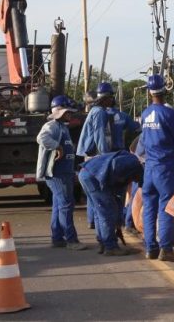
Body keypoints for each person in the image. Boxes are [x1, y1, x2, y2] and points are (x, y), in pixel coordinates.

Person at [140, 74, 174, 262]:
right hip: (165, 166)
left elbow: (143, 140)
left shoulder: (145, 114)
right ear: (164, 90)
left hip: (149, 167)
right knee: (167, 206)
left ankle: (150, 247)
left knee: (149, 207)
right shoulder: (169, 114)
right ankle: (166, 249)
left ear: (149, 92)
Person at [36, 95, 87, 251]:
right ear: (59, 111)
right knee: (66, 204)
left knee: (59, 205)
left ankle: (57, 238)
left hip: (65, 173)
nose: (70, 114)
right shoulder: (52, 126)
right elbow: (41, 138)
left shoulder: (63, 127)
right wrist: (57, 147)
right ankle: (71, 240)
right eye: (67, 111)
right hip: (57, 174)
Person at [78, 150, 143, 256]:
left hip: (86, 173)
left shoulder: (130, 165)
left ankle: (103, 243)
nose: (134, 183)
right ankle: (111, 247)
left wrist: (118, 224)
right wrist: (117, 222)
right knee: (106, 211)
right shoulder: (132, 165)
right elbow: (114, 168)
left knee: (100, 211)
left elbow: (118, 199)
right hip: (93, 176)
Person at [76, 82, 118, 229]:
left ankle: (92, 220)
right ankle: (101, 226)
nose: (112, 100)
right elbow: (99, 136)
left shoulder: (95, 111)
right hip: (95, 156)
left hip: (90, 155)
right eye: (111, 97)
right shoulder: (100, 113)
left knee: (92, 193)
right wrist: (106, 158)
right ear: (106, 98)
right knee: (99, 192)